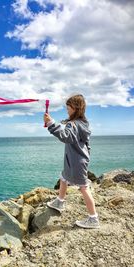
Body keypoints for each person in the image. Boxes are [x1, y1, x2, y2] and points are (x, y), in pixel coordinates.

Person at [43, 94, 100, 229]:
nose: (67, 110)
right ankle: (60, 202)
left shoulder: (74, 125)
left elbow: (66, 136)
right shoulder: (82, 123)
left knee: (84, 188)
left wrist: (51, 124)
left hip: (76, 162)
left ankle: (93, 219)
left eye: (68, 108)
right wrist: (56, 122)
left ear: (75, 108)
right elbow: (69, 128)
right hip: (75, 160)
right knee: (63, 177)